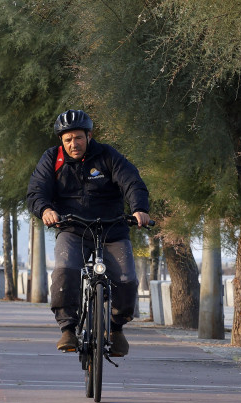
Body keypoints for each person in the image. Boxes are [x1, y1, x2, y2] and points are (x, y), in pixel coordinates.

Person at [26, 109, 150, 356]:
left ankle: (115, 328)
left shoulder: (108, 156)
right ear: (62, 141)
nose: (74, 144)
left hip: (112, 227)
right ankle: (68, 328)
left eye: (78, 138)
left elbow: (132, 181)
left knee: (127, 280)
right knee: (64, 271)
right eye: (68, 139)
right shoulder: (52, 158)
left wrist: (139, 209)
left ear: (89, 136)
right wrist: (46, 209)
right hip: (72, 228)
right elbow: (36, 191)